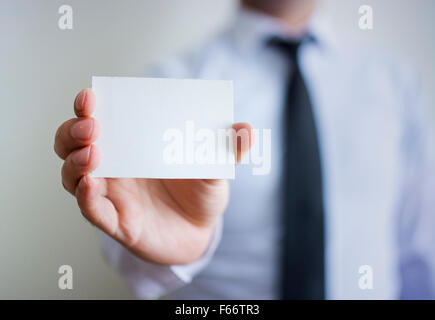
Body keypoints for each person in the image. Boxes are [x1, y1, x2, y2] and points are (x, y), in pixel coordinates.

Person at [54, 0, 435, 299]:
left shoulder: (395, 86)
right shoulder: (169, 86)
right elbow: (131, 257)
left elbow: (419, 260)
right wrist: (175, 258)